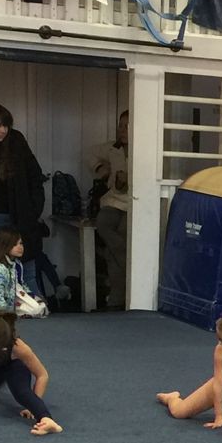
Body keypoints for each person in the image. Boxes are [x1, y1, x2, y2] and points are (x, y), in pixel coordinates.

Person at [0, 103, 50, 303]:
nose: (3, 130)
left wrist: (34, 209)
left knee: (25, 262)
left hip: (18, 215)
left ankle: (34, 303)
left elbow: (35, 176)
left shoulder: (16, 141)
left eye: (6, 126)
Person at [91, 110, 129, 309]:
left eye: (127, 126)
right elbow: (90, 153)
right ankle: (129, 262)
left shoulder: (144, 150)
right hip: (114, 201)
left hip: (134, 204)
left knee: (111, 251)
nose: (122, 130)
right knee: (103, 224)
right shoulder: (113, 149)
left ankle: (116, 300)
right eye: (120, 126)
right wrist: (101, 170)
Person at [0, 227, 29, 315]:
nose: (20, 247)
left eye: (21, 243)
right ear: (4, 246)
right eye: (14, 245)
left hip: (9, 310)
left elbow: (21, 285)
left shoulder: (14, 265)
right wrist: (6, 314)